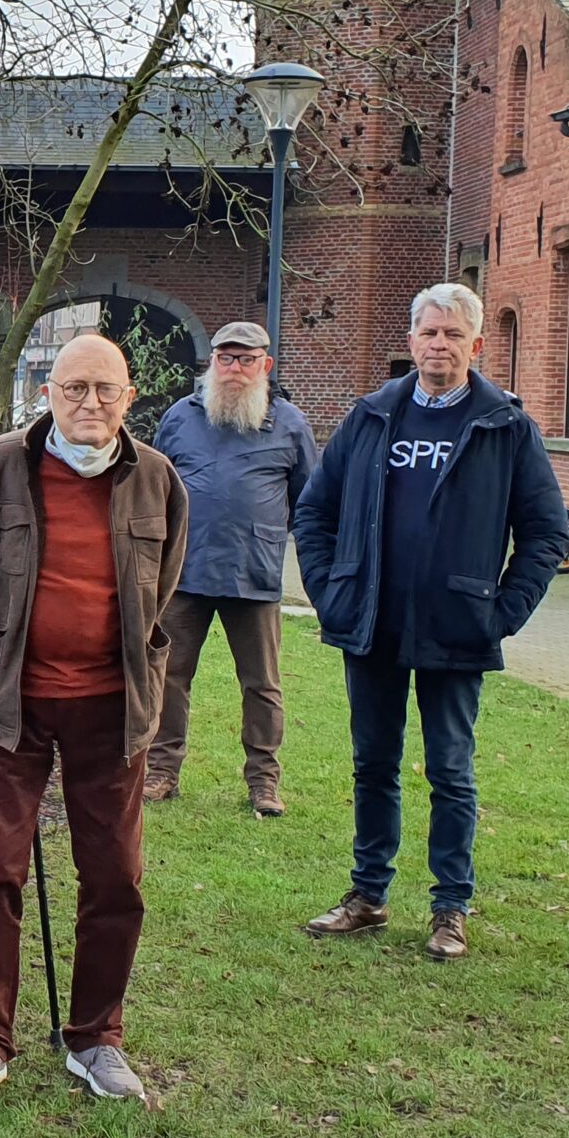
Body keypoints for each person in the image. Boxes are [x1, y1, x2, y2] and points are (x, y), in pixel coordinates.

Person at [0, 334, 187, 1106]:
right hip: (9, 709)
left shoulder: (157, 480)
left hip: (112, 709)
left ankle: (97, 1040)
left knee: (116, 877)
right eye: (74, 389)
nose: (89, 404)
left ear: (129, 398)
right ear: (48, 393)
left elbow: (160, 584)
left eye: (105, 390)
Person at [295, 283, 566, 961]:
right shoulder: (372, 417)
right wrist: (333, 592)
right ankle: (368, 896)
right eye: (428, 333)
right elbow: (313, 511)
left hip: (457, 628)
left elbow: (546, 533)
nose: (439, 345)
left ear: (476, 345)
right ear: (411, 340)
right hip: (374, 622)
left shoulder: (505, 426)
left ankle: (450, 907)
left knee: (451, 770)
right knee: (373, 764)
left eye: (453, 334)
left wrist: (501, 613)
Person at [147, 322, 316, 815]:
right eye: (226, 358)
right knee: (169, 675)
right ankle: (162, 770)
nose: (235, 368)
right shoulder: (181, 417)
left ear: (266, 365)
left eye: (246, 359)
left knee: (262, 683)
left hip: (255, 573)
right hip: (184, 572)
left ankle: (264, 781)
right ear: (212, 364)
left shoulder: (290, 424)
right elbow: (155, 492)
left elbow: (308, 503)